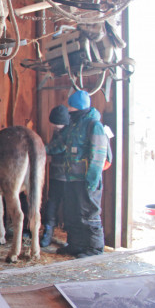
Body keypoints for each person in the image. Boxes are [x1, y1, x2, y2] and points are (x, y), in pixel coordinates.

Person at [47, 90, 108, 258]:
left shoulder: (94, 125)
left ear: (79, 108)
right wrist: (41, 150)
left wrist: (92, 180)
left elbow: (98, 156)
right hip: (71, 178)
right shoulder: (73, 125)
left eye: (71, 107)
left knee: (88, 213)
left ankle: (94, 249)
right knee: (72, 212)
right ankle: (75, 245)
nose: (69, 111)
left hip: (86, 180)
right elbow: (60, 145)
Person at [40, 105, 70, 248]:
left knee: (69, 207)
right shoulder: (58, 131)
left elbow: (57, 147)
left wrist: (40, 149)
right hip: (56, 175)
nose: (54, 126)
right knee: (52, 204)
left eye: (56, 123)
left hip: (69, 177)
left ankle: (70, 237)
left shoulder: (69, 132)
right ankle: (48, 233)